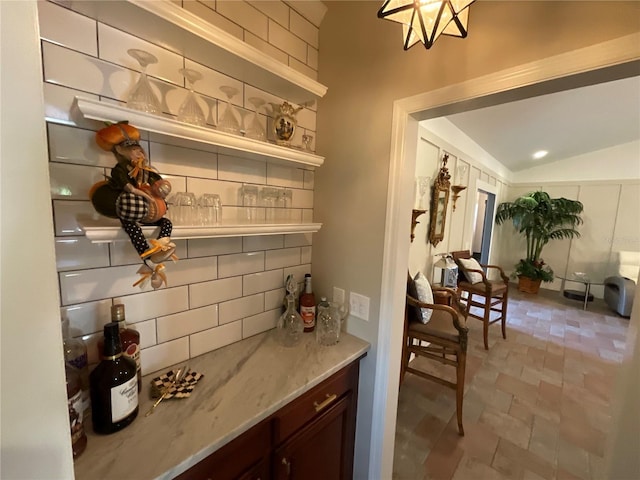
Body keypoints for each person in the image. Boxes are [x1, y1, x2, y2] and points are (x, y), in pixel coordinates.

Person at [89, 122, 176, 288]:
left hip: (148, 212)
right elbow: (126, 186)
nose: (139, 154)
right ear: (121, 151)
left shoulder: (147, 171)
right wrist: (143, 194)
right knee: (131, 226)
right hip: (132, 211)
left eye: (140, 151)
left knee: (166, 222)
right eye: (135, 151)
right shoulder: (121, 169)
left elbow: (158, 182)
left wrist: (163, 188)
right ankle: (149, 260)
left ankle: (160, 248)